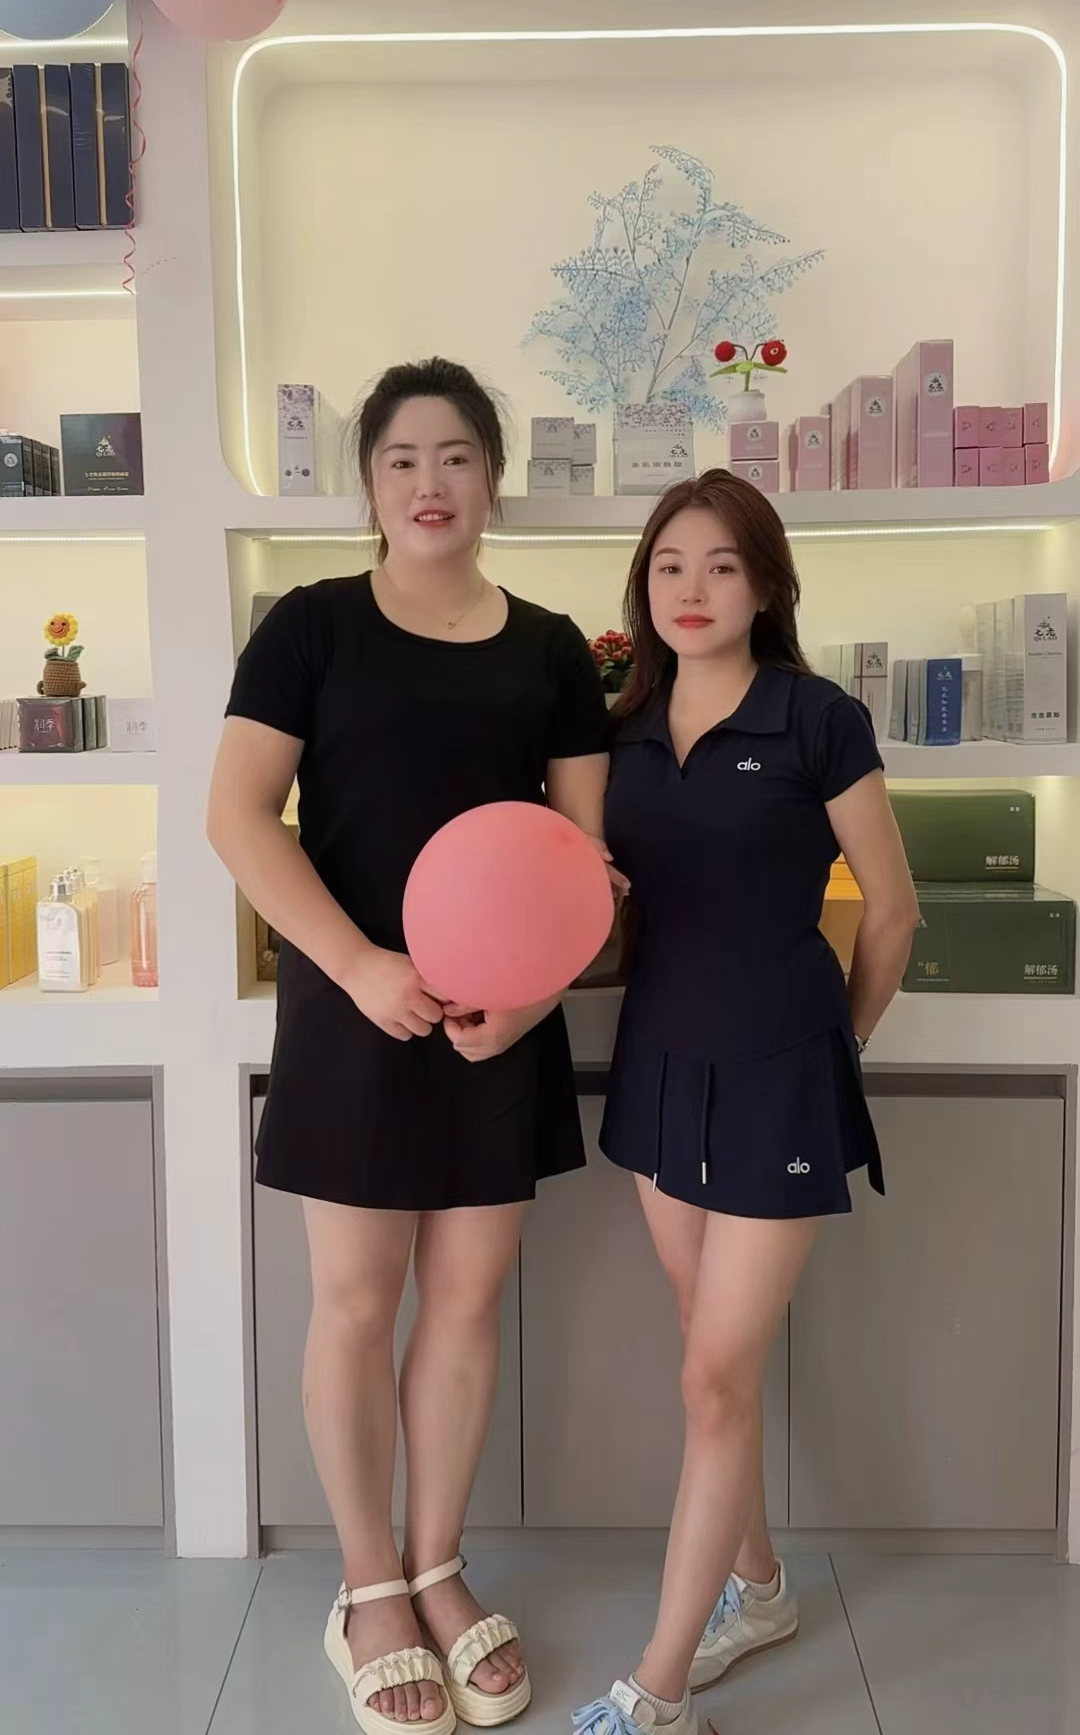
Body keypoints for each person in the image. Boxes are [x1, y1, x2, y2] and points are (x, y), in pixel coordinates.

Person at [207, 359, 611, 1735]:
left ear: (492, 478)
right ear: (369, 485)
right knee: (354, 1303)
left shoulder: (552, 649)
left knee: (466, 1304)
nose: (430, 484)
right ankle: (368, 1586)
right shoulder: (309, 626)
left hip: (501, 1024)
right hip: (352, 1006)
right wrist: (362, 967)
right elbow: (239, 818)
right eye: (401, 460)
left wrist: (535, 1001)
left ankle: (438, 1566)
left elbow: (584, 862)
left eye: (455, 458)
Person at [575, 471, 918, 1735]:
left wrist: (838, 1051)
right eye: (671, 565)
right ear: (644, 588)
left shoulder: (816, 717)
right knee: (704, 1353)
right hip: (661, 1066)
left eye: (722, 565)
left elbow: (894, 912)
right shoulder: (619, 731)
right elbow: (594, 907)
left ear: (766, 584)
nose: (694, 588)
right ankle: (761, 1590)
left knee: (715, 1377)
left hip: (781, 1075)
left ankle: (659, 1688)